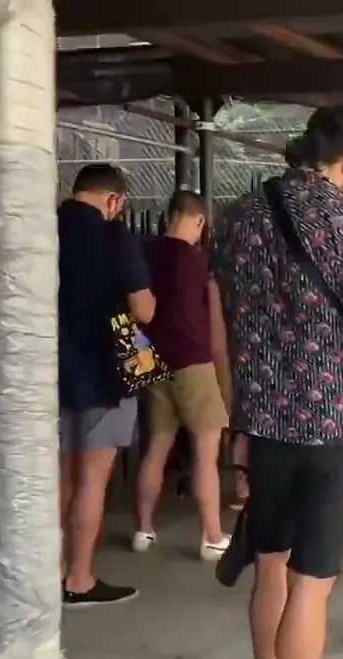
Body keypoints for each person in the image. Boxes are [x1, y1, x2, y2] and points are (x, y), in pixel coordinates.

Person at [214, 105, 343, 659]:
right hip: (334, 426)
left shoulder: (240, 215)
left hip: (265, 422)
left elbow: (228, 327)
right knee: (310, 584)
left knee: (269, 565)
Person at [58, 164, 154, 607]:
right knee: (92, 479)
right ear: (114, 201)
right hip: (106, 367)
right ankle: (79, 578)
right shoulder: (116, 236)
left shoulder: (44, 228)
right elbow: (144, 309)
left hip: (47, 366)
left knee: (55, 479)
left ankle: (47, 572)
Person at [132, 190, 232, 561]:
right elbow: (213, 326)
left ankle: (143, 528)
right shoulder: (196, 262)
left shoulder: (143, 253)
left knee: (157, 444)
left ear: (169, 214)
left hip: (151, 359)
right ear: (200, 222)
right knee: (205, 450)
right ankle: (211, 535)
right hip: (193, 361)